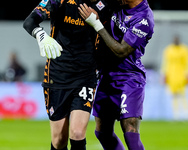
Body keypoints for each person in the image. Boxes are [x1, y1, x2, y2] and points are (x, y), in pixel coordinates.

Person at [23, 0, 115, 150]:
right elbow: (30, 21)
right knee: (59, 140)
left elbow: (112, 33)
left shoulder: (104, 4)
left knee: (78, 133)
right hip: (57, 75)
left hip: (86, 75)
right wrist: (41, 35)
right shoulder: (58, 1)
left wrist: (98, 23)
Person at [79, 0, 154, 149]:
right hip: (106, 75)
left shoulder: (144, 18)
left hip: (129, 77)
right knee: (102, 132)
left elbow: (122, 51)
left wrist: (97, 25)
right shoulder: (117, 4)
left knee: (130, 129)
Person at [161, 35, 188, 120]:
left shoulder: (185, 50)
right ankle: (176, 115)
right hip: (172, 75)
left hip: (182, 75)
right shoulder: (169, 50)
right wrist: (164, 75)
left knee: (183, 95)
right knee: (174, 95)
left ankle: (186, 115)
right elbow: (165, 63)